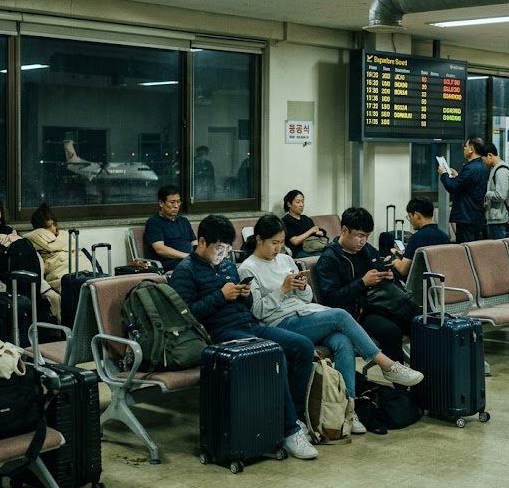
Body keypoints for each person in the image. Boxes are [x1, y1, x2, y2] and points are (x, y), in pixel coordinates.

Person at [239, 214, 424, 434]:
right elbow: (257, 311)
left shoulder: (286, 259)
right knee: (339, 316)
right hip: (280, 323)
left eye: (281, 243)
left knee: (343, 341)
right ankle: (388, 366)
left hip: (304, 313)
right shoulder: (248, 268)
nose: (278, 248)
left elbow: (307, 298)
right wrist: (283, 290)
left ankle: (349, 408)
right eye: (274, 243)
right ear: (259, 240)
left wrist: (301, 286)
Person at [169, 215, 319, 460]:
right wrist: (220, 295)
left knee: (302, 346)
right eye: (218, 249)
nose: (222, 255)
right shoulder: (185, 271)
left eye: (227, 249)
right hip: (220, 335)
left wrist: (245, 294)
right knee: (274, 352)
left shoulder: (228, 265)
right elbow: (186, 316)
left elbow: (246, 304)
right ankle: (290, 430)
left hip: (248, 324)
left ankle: (294, 417)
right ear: (202, 242)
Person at [315, 207, 412, 364]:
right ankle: (399, 385)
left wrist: (388, 275)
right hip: (357, 314)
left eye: (367, 236)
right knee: (391, 331)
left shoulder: (366, 250)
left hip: (380, 303)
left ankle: (426, 375)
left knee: (419, 318)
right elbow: (331, 299)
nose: (363, 241)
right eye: (360, 236)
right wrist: (362, 283)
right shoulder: (329, 259)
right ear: (344, 230)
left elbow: (380, 268)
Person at [23, 203, 93, 320]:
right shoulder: (32, 241)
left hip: (82, 270)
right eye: (48, 227)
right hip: (62, 274)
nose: (53, 229)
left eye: (54, 225)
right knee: (78, 288)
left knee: (93, 286)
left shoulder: (66, 237)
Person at [438, 136, 488, 243]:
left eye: (465, 146)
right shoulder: (482, 167)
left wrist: (444, 175)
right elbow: (469, 186)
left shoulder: (470, 168)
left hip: (466, 217)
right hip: (477, 216)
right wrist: (458, 177)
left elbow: (453, 187)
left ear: (471, 149)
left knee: (465, 250)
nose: (464, 149)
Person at [390, 196, 451, 278]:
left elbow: (403, 270)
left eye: (409, 216)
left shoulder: (416, 238)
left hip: (421, 285)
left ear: (417, 215)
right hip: (441, 283)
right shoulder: (444, 236)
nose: (410, 220)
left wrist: (395, 260)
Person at [144, 185, 196, 271]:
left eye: (178, 202)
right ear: (161, 203)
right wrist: (187, 256)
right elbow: (160, 249)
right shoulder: (154, 222)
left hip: (190, 261)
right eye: (172, 202)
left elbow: (194, 243)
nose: (176, 206)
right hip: (172, 264)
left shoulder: (184, 221)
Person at [281, 189, 327, 258]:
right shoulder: (286, 221)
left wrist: (321, 232)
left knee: (333, 251)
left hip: (313, 248)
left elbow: (316, 229)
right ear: (289, 204)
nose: (301, 205)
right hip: (299, 252)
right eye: (298, 202)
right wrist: (311, 231)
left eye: (302, 202)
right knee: (325, 257)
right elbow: (295, 241)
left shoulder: (305, 219)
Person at [479, 142, 509, 240]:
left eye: (483, 160)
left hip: (498, 219)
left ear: (490, 156)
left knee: (498, 251)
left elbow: (501, 195)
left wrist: (486, 193)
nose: (483, 162)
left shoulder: (501, 171)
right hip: (494, 218)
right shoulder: (495, 169)